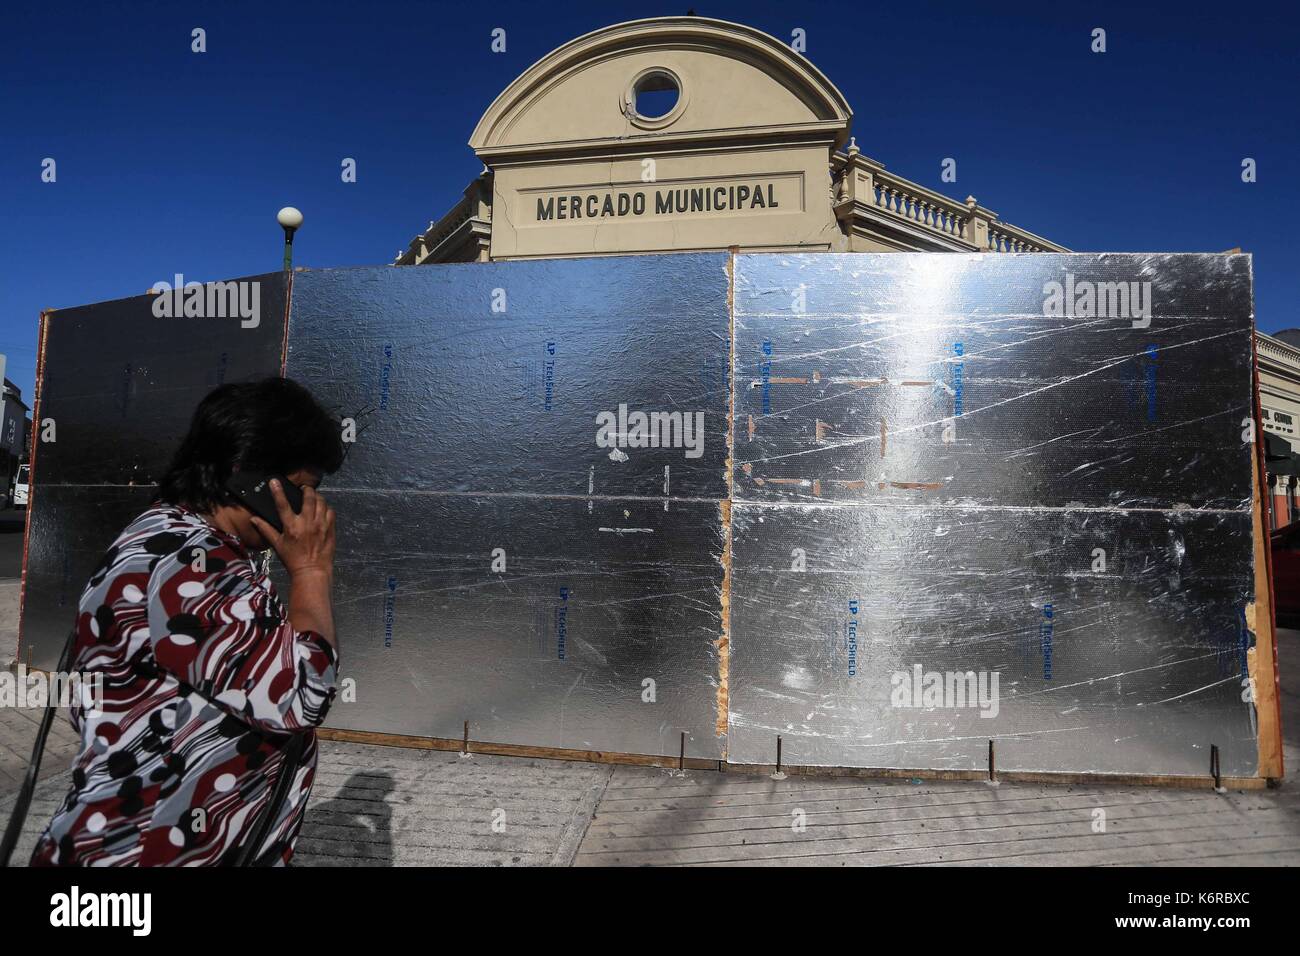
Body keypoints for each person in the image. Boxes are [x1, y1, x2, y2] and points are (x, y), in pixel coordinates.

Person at [30, 377, 343, 866]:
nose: (314, 512)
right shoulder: (190, 561)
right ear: (249, 477)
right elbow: (301, 695)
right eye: (304, 490)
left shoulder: (176, 540)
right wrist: (311, 570)